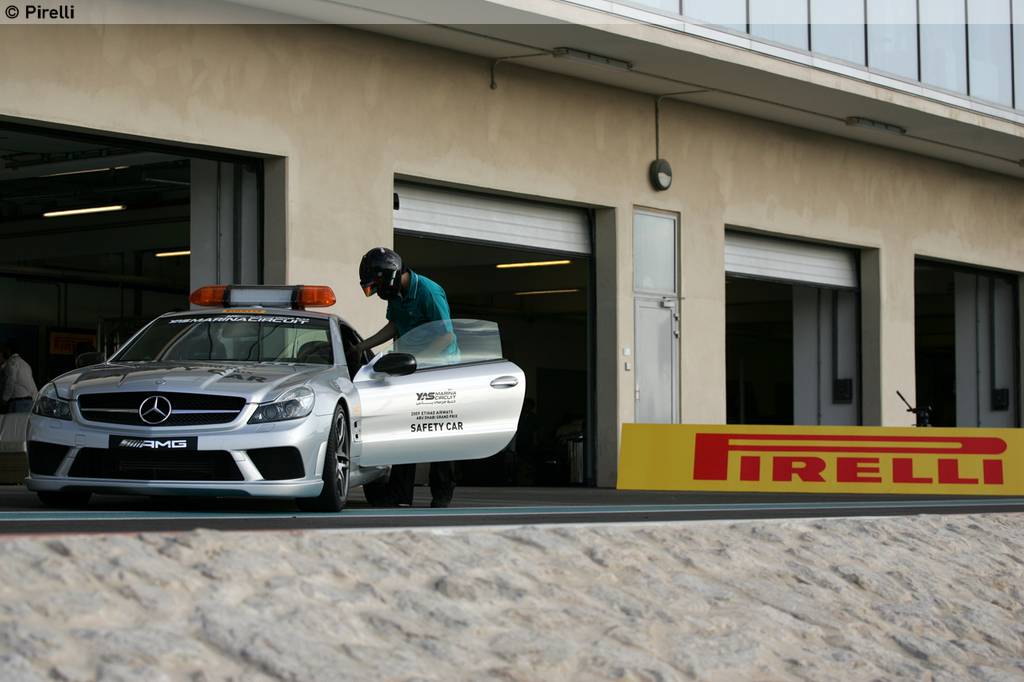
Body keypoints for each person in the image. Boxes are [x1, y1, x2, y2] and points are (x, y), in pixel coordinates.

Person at [354, 246, 457, 508]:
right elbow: (394, 326)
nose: (378, 292)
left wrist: (418, 361)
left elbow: (446, 336)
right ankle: (400, 495)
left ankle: (442, 493)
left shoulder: (428, 292)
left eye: (377, 286)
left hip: (439, 370)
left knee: (438, 431)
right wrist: (362, 346)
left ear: (389, 275)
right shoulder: (396, 295)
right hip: (410, 369)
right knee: (405, 429)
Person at [0, 342, 38, 413]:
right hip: (29, 401)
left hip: (18, 403)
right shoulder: (25, 364)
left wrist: (4, 399)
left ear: (8, 350)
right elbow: (32, 384)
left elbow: (10, 382)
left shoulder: (11, 363)